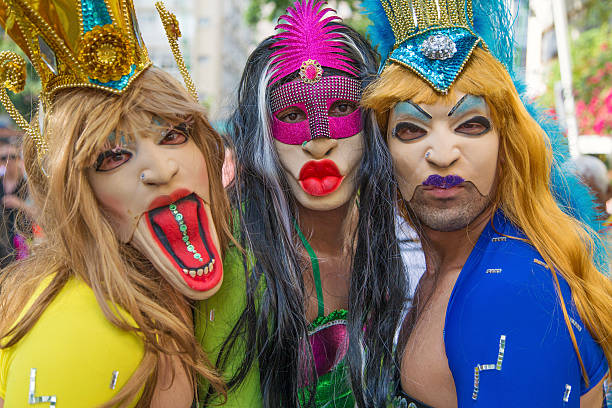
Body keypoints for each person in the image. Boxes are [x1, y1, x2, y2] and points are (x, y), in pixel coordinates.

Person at [361, 0, 612, 406]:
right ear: (383, 148)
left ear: (506, 145)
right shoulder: (453, 267)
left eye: (471, 125)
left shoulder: (509, 289)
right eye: (411, 129)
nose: (442, 154)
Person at [0, 0, 231, 406]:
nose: (160, 169)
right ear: (78, 194)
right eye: (113, 156)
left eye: (173, 134)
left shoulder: (173, 301)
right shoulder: (82, 332)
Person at [196, 1, 406, 406]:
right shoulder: (235, 255)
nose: (318, 141)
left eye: (342, 108)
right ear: (263, 136)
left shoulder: (394, 233)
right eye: (292, 114)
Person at [0, 140, 34, 267]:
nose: (8, 161)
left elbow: (41, 215)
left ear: (20, 159)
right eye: (4, 157)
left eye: (13, 157)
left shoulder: (28, 186)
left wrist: (20, 204)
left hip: (23, 248)